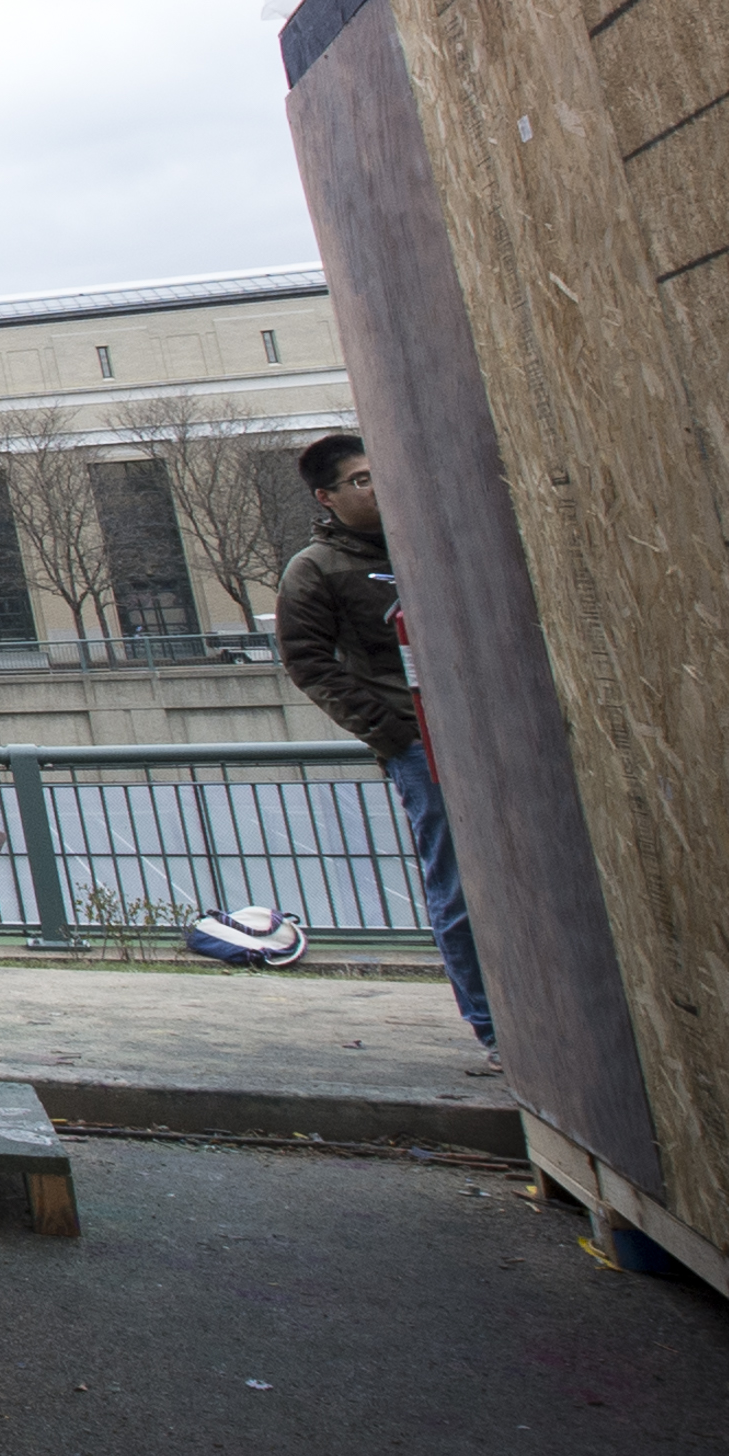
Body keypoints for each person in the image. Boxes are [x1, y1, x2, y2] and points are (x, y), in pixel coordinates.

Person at [277, 431, 494, 1062]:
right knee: (454, 883)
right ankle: (490, 1025)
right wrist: (395, 733)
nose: (379, 487)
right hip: (418, 742)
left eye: (382, 473)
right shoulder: (316, 570)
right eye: (362, 480)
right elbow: (310, 664)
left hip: (484, 730)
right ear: (328, 496)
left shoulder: (428, 542)